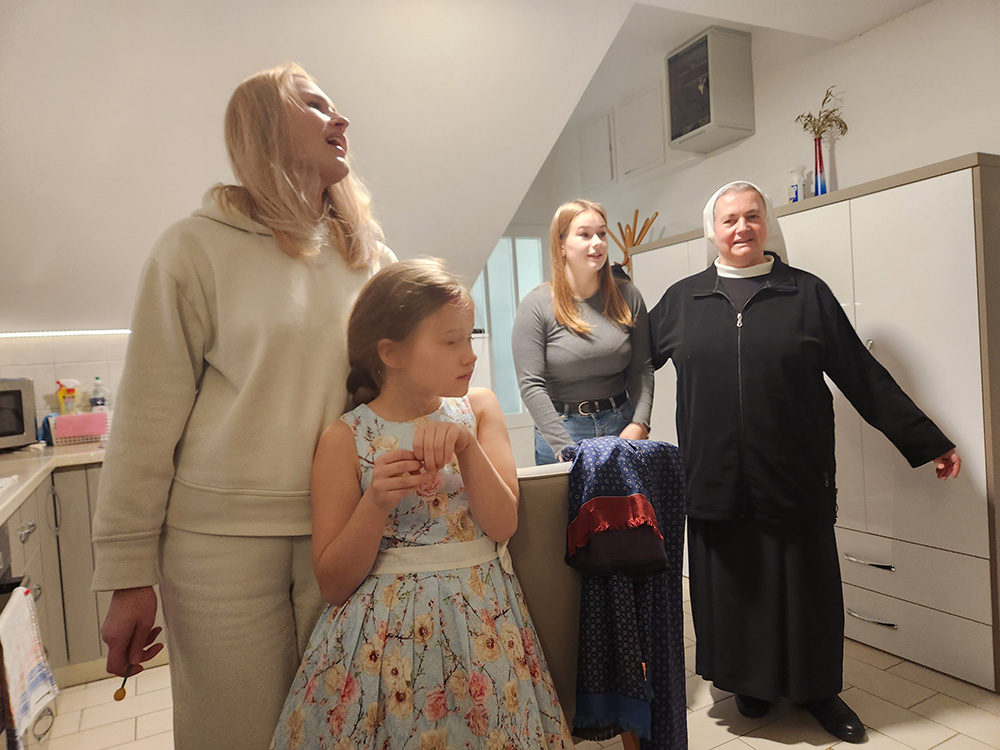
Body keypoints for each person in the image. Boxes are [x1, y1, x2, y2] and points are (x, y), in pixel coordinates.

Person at [90, 63, 394, 750]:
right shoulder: (192, 249)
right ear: (264, 127)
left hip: (341, 531)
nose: (340, 120)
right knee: (235, 735)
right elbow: (143, 422)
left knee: (343, 730)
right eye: (317, 106)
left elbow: (404, 383)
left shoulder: (367, 258)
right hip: (217, 552)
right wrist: (127, 575)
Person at [647, 181, 961, 744]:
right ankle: (750, 681)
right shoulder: (681, 301)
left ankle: (819, 691)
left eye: (751, 217)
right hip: (714, 477)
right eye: (729, 220)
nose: (741, 228)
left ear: (766, 223)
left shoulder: (805, 293)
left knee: (806, 588)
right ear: (711, 231)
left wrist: (927, 439)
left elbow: (861, 374)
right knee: (733, 586)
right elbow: (630, 367)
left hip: (795, 474)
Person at [271, 258, 573, 749]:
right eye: (450, 341)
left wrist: (467, 448)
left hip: (485, 627)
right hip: (381, 641)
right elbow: (332, 581)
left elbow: (502, 525)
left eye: (469, 338)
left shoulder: (479, 409)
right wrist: (375, 503)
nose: (469, 355)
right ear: (391, 352)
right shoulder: (345, 439)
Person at [512, 199, 654, 465]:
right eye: (585, 235)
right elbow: (531, 385)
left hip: (621, 425)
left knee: (626, 508)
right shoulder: (536, 305)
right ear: (561, 245)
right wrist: (562, 446)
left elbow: (642, 368)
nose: (597, 242)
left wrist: (640, 424)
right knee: (565, 508)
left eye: (601, 233)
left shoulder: (628, 296)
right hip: (562, 431)